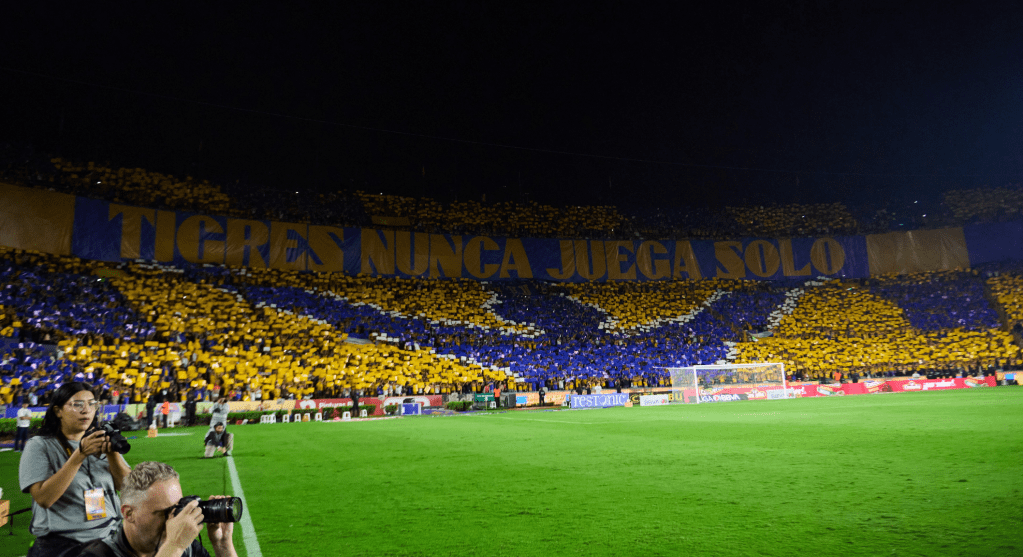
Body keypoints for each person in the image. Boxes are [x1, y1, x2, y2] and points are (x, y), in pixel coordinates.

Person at [18, 382, 132, 557]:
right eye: (77, 404)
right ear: (58, 411)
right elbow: (44, 498)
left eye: (91, 404)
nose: (86, 410)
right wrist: (79, 455)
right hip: (62, 543)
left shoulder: (98, 439)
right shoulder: (39, 445)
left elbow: (130, 490)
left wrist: (112, 454)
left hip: (110, 538)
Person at [75, 461, 237, 557]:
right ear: (128, 513)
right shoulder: (98, 554)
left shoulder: (187, 547)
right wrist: (174, 546)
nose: (174, 519)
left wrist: (223, 546)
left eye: (178, 508)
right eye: (164, 513)